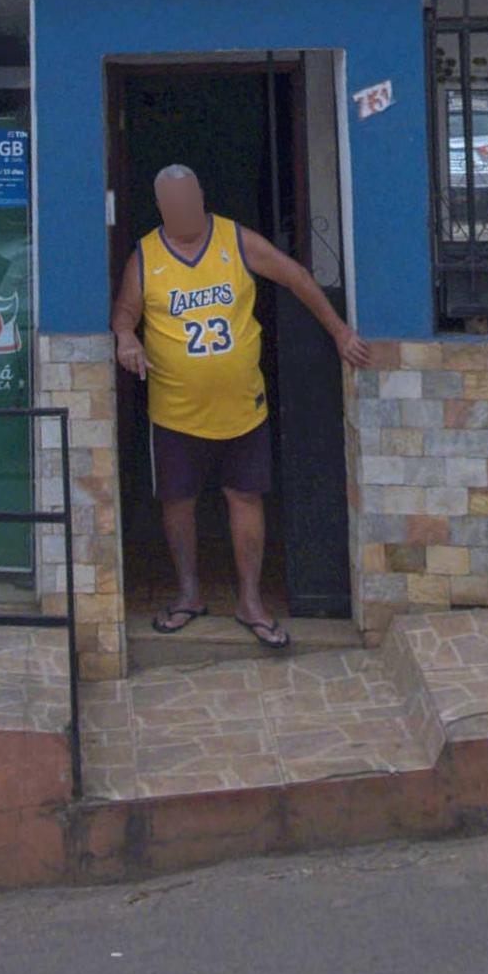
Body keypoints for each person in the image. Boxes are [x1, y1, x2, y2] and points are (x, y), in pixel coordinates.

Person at [113, 163, 371, 649]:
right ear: (162, 208)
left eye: (191, 199)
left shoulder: (236, 240)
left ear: (201, 196)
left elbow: (296, 277)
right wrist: (126, 337)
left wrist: (339, 332)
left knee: (245, 497)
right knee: (178, 502)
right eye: (175, 203)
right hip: (174, 412)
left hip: (243, 407)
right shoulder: (145, 256)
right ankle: (188, 594)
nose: (186, 209)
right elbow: (125, 313)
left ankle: (251, 601)